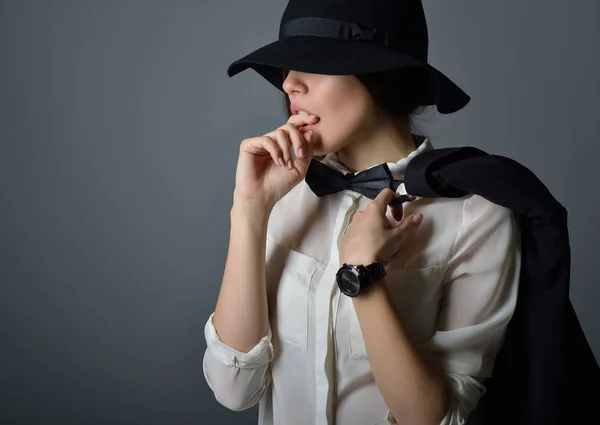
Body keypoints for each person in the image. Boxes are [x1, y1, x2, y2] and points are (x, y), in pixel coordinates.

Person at [203, 1, 521, 424]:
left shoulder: (477, 218)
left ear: (379, 74)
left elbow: (437, 419)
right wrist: (249, 212)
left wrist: (364, 277)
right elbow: (233, 390)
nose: (290, 84)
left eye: (312, 62)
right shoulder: (281, 194)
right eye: (287, 67)